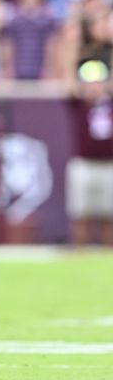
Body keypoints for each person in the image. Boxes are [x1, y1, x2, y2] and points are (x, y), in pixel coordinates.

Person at [66, 59, 113, 246]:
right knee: (81, 215)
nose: (94, 87)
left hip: (109, 165)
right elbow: (68, 85)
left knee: (108, 216)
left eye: (98, 82)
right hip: (84, 164)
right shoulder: (79, 104)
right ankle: (80, 256)